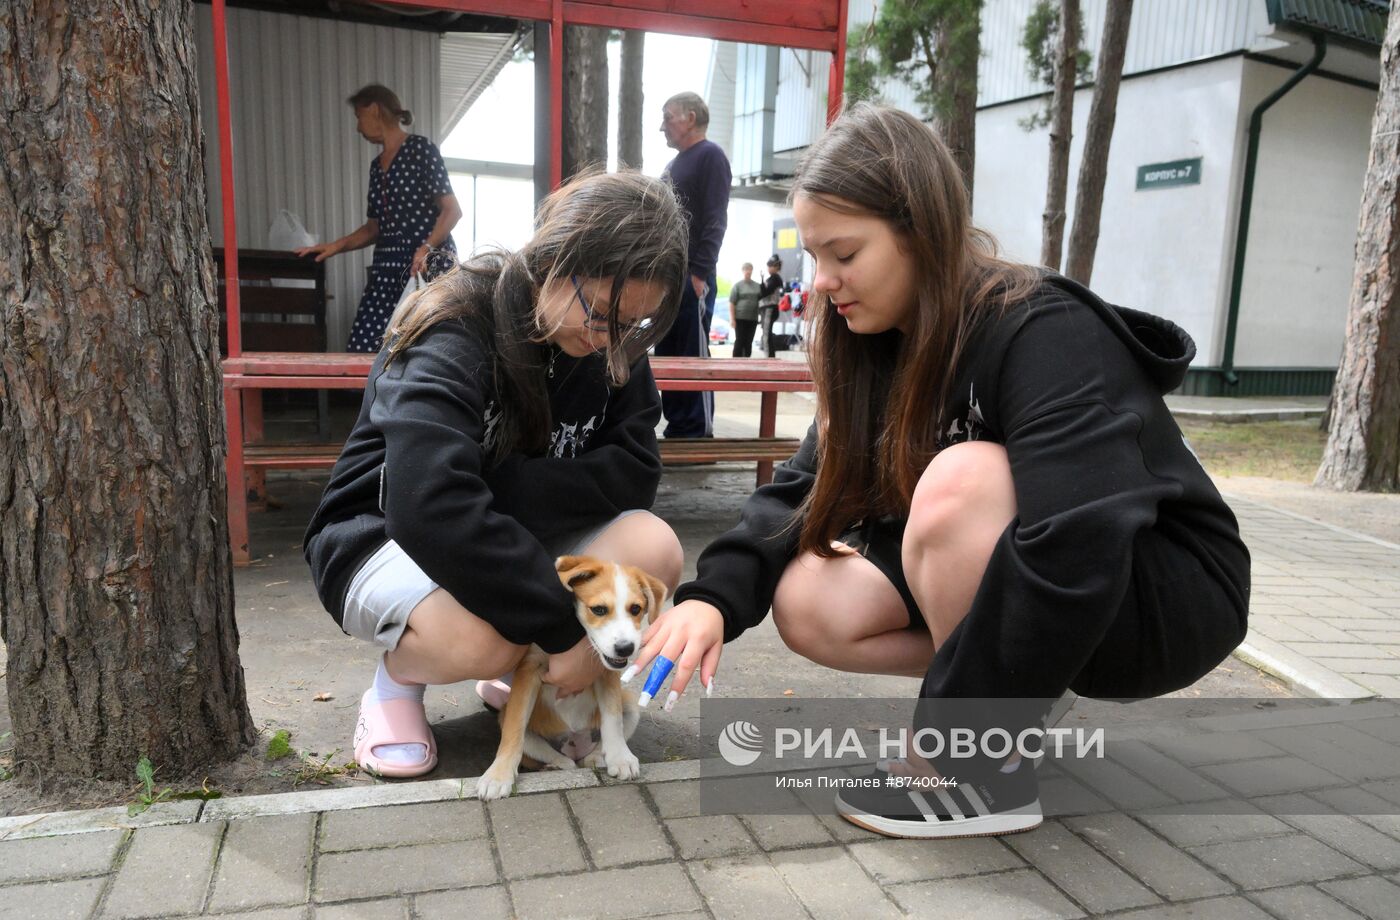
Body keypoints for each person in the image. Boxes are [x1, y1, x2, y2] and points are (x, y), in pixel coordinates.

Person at [625, 104, 1251, 838]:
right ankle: (1019, 693)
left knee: (963, 482)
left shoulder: (1039, 330)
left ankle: (983, 774)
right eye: (816, 256)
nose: (821, 281)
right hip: (1055, 586)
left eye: (844, 254)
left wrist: (951, 733)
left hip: (1159, 594)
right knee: (810, 599)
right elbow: (801, 489)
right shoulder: (875, 343)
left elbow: (1078, 537)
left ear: (920, 230)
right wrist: (712, 601)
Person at [304, 172, 690, 777]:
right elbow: (427, 502)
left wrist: (498, 486)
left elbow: (636, 471)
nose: (611, 340)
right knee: (491, 635)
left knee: (654, 549)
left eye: (634, 326)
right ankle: (398, 680)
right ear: (552, 260)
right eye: (600, 316)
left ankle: (521, 674)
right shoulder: (456, 322)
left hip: (498, 527)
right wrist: (561, 631)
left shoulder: (611, 343)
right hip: (381, 533)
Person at [296, 84, 462, 352]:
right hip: (387, 268)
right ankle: (364, 396)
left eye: (359, 117)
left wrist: (426, 248)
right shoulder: (377, 167)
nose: (358, 128)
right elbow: (374, 228)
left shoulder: (421, 150)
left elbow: (452, 210)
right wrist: (333, 246)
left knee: (429, 351)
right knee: (363, 347)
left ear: (374, 109)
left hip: (426, 268)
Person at [655, 91, 731, 438]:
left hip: (692, 276)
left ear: (690, 117)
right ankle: (677, 424)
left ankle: (697, 428)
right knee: (669, 351)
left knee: (691, 354)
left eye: (668, 117)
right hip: (670, 276)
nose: (662, 126)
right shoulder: (674, 164)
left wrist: (699, 272)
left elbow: (715, 218)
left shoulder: (710, 156)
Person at [727, 263, 762, 358]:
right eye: (746, 269)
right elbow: (731, 303)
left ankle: (747, 360)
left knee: (749, 341)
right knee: (740, 340)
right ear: (742, 271)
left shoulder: (757, 286)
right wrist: (732, 319)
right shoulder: (737, 286)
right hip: (739, 318)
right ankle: (736, 361)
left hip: (753, 318)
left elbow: (762, 301)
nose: (748, 271)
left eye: (750, 269)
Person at [757, 255, 785, 357]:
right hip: (768, 308)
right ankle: (770, 356)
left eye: (771, 266)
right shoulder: (772, 279)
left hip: (770, 308)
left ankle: (768, 357)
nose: (769, 268)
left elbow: (765, 293)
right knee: (766, 333)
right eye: (768, 266)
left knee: (766, 334)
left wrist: (761, 281)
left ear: (776, 267)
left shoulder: (775, 278)